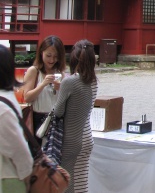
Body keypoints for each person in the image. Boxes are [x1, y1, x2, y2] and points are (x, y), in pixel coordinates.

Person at [54, 40, 98, 193]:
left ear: (73, 58)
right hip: (87, 136)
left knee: (68, 182)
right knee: (81, 181)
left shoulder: (69, 82)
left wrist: (58, 91)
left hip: (71, 138)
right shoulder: (93, 81)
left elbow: (58, 111)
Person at [0, 45, 33, 193]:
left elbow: (18, 148)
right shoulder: (6, 97)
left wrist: (27, 177)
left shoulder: (2, 107)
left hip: (9, 178)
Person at [22, 35, 66, 142]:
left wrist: (61, 89)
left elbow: (64, 101)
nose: (52, 60)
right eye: (48, 55)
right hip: (37, 119)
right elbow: (27, 97)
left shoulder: (60, 73)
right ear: (41, 52)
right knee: (37, 156)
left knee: (52, 155)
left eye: (56, 57)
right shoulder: (34, 71)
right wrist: (42, 84)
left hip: (55, 120)